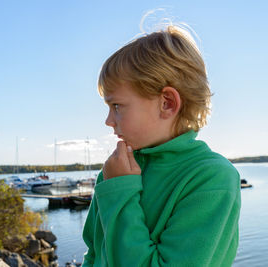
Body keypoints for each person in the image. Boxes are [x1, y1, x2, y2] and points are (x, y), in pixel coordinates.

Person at [82, 24, 241, 266]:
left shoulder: (212, 179)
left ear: (167, 103)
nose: (108, 121)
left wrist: (120, 192)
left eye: (117, 106)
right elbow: (94, 253)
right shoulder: (115, 171)